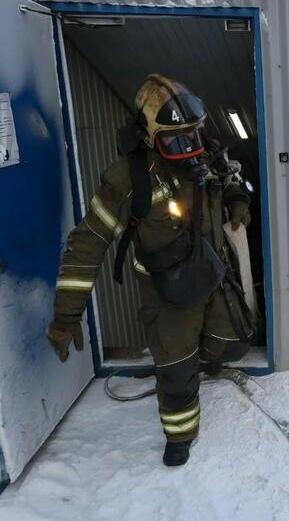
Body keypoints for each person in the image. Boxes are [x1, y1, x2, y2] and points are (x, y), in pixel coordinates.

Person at [46, 74, 257, 467]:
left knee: (233, 341)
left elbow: (232, 178)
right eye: (178, 139)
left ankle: (208, 361)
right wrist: (66, 316)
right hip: (168, 294)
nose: (191, 147)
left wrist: (237, 200)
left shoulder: (203, 152)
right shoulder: (126, 179)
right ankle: (180, 435)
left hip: (212, 275)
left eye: (194, 135)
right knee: (175, 370)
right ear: (148, 136)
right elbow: (87, 244)